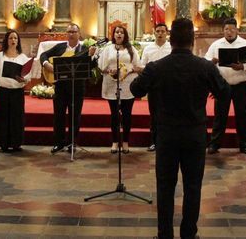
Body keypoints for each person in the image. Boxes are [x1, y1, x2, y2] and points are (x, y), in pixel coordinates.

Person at [131, 18, 229, 239]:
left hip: (166, 134)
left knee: (165, 187)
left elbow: (135, 89)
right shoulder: (204, 67)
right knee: (193, 186)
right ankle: (188, 233)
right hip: (195, 134)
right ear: (192, 41)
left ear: (171, 39)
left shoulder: (157, 67)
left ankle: (164, 234)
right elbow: (225, 92)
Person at [40, 23, 96, 154]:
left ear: (79, 34)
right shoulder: (60, 47)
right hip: (60, 87)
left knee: (74, 116)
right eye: (69, 32)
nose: (71, 34)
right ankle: (58, 143)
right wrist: (47, 64)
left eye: (74, 32)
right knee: (58, 115)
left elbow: (92, 65)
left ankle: (72, 143)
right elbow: (43, 55)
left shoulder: (85, 49)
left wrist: (91, 56)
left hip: (77, 88)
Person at [205, 18, 246, 155]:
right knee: (220, 116)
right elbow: (206, 63)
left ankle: (245, 144)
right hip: (222, 86)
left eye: (232, 29)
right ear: (223, 30)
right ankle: (214, 144)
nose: (229, 32)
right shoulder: (216, 45)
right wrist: (213, 61)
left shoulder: (245, 44)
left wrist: (242, 66)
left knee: (243, 115)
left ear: (237, 30)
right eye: (226, 29)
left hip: (240, 85)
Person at [98, 25, 140, 154]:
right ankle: (115, 142)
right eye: (117, 32)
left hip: (128, 84)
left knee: (127, 115)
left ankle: (126, 142)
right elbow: (101, 66)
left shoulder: (131, 49)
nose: (119, 34)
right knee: (115, 116)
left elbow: (138, 66)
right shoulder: (108, 48)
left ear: (125, 35)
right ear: (114, 34)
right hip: (112, 84)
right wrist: (109, 70)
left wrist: (128, 70)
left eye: (121, 32)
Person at [0, 30, 32, 153]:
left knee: (16, 118)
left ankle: (16, 143)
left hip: (16, 91)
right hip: (3, 91)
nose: (13, 40)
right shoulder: (0, 56)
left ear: (18, 41)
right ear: (6, 40)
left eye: (15, 38)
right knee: (2, 118)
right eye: (10, 38)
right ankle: (3, 143)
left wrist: (23, 79)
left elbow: (28, 75)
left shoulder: (23, 57)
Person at [140, 23, 172, 152]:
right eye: (157, 31)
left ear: (166, 33)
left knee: (169, 114)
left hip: (169, 86)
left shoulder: (171, 48)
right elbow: (143, 66)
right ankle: (153, 141)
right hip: (154, 87)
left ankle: (167, 141)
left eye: (162, 31)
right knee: (154, 115)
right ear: (154, 33)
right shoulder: (148, 49)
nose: (160, 33)